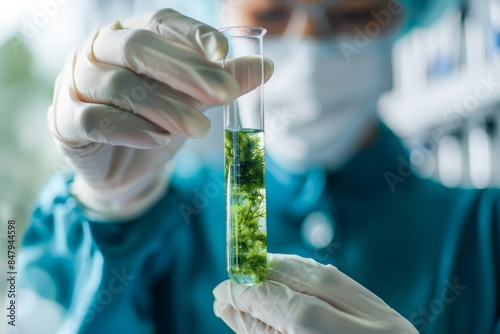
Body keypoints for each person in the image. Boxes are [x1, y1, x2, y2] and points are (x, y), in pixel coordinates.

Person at [14, 0, 500, 333]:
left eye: (353, 15)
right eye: (271, 11)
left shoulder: (486, 233)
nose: (308, 42)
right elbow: (31, 316)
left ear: (402, 17)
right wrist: (107, 211)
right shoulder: (159, 226)